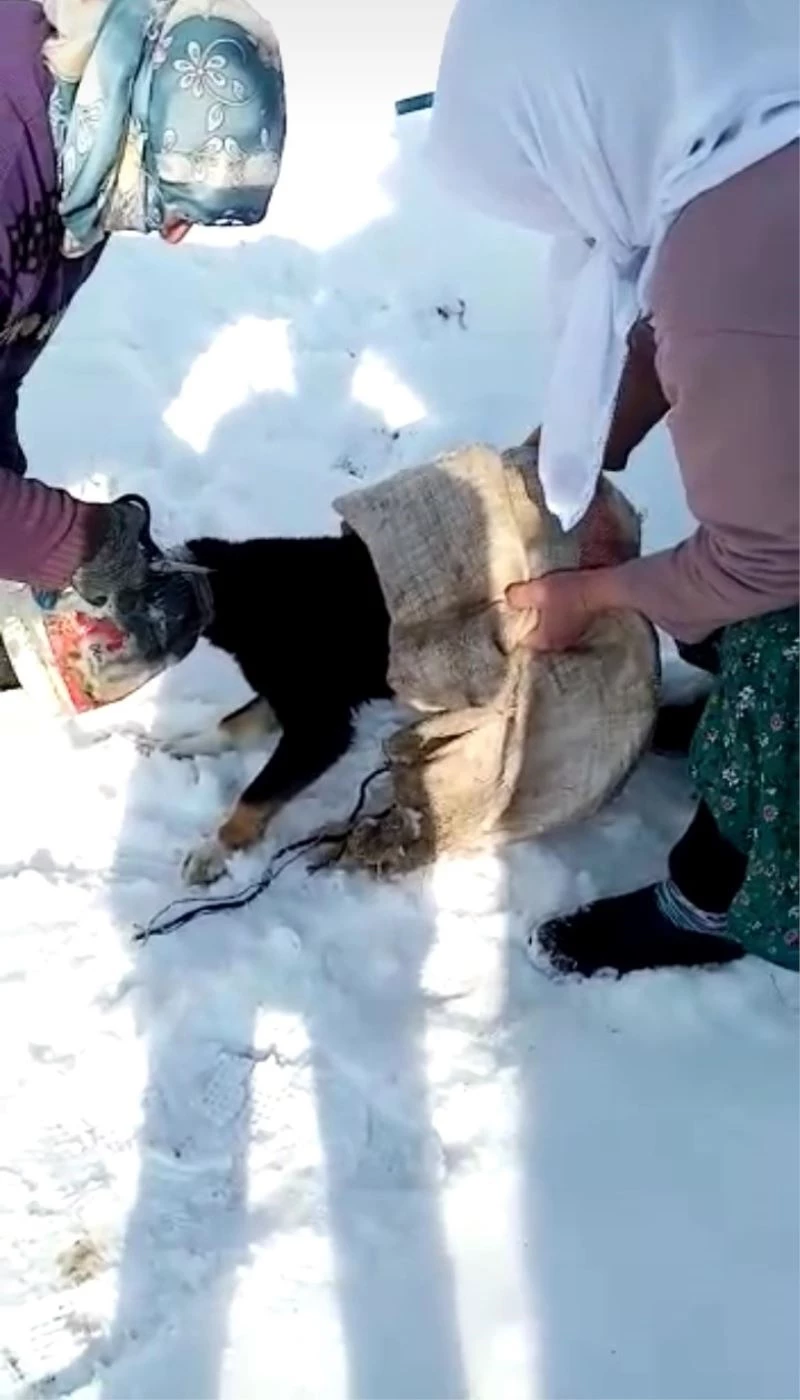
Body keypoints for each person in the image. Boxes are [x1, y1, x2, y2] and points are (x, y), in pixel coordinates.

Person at [428, 0, 799, 973]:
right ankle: (742, 722)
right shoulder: (759, 137)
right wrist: (582, 450)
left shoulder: (721, 267)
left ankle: (726, 892)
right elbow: (701, 336)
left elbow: (768, 559)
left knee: (780, 643)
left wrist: (587, 595)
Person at [0, 0, 285, 685]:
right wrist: (73, 539)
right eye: (171, 199)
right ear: (138, 132)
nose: (172, 234)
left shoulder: (87, 146)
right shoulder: (13, 162)